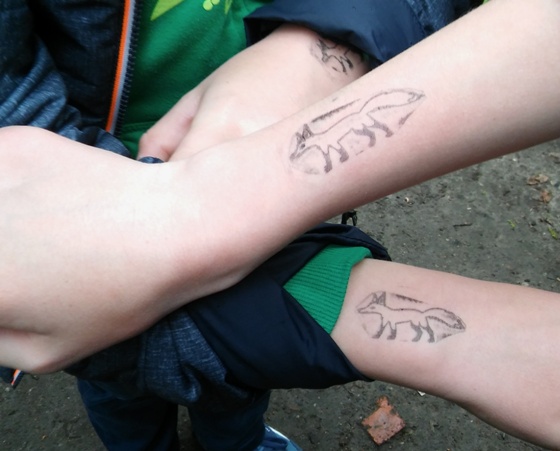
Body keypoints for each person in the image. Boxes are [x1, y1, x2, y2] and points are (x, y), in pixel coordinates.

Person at [0, 0, 560, 449]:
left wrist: (319, 43)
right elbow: (35, 243)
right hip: (122, 282)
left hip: (276, 206)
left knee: (233, 400)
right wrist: (388, 312)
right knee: (127, 394)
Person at [0, 1, 478, 450]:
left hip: (272, 175)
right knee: (121, 390)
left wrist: (314, 50)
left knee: (237, 388)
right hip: (93, 215)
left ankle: (238, 441)